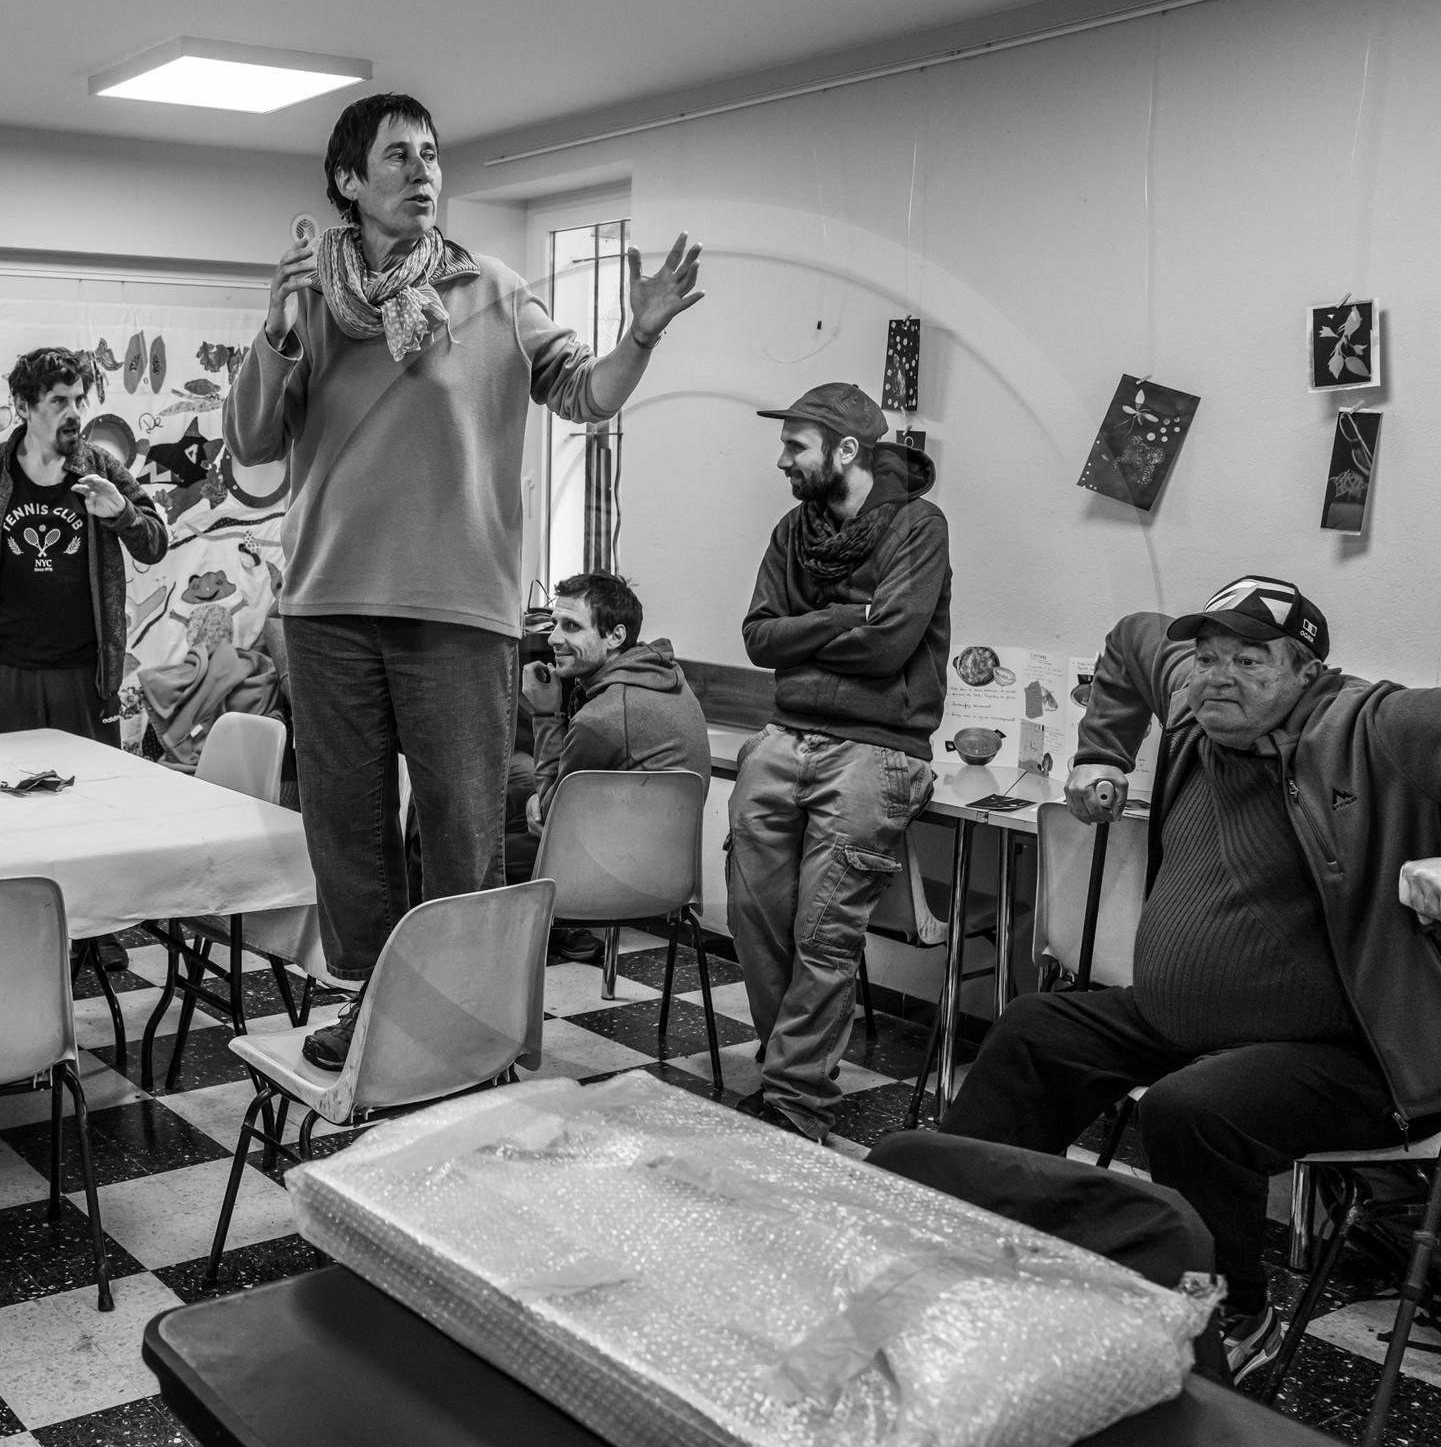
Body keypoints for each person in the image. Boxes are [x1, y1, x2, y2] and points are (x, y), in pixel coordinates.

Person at [225, 92, 703, 1069]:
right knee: (347, 835)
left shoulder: (492, 289)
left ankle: (464, 1023)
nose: (422, 171)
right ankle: (374, 1011)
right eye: (397, 156)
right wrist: (274, 328)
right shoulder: (310, 301)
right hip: (327, 606)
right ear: (348, 180)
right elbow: (251, 442)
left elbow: (587, 394)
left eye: (431, 154)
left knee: (459, 834)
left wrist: (641, 335)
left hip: (459, 609)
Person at [941, 574, 1441, 1384]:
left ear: (1306, 671)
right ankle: (959, 1242)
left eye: (1250, 660)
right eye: (1207, 657)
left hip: (1357, 1048)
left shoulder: (1367, 724)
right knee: (1035, 1031)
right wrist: (1101, 750)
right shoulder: (1199, 699)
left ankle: (1233, 1315)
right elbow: (1132, 638)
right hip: (1184, 1022)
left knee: (1192, 1110)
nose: (1218, 677)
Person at [728, 383, 952, 1142]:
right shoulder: (793, 531)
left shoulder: (919, 526)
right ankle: (788, 1064)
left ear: (846, 450)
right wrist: (842, 617)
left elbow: (891, 645)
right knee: (754, 916)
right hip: (783, 735)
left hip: (877, 748)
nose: (782, 460)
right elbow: (758, 638)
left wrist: (806, 635)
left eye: (795, 446)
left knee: (822, 932)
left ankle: (794, 1101)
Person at [0, 346, 168, 971]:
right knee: (6, 808)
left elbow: (155, 542)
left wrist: (121, 514)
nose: (72, 412)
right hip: (4, 670)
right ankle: (12, 926)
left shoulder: (101, 467)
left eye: (78, 399)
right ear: (24, 405)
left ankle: (95, 929)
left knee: (89, 807)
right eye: (59, 400)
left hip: (85, 672)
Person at [521, 571, 712, 960]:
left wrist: (545, 713)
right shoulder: (666, 676)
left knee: (487, 840)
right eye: (554, 624)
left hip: (618, 880)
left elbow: (549, 819)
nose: (553, 638)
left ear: (615, 636)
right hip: (675, 877)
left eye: (571, 626)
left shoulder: (604, 717)